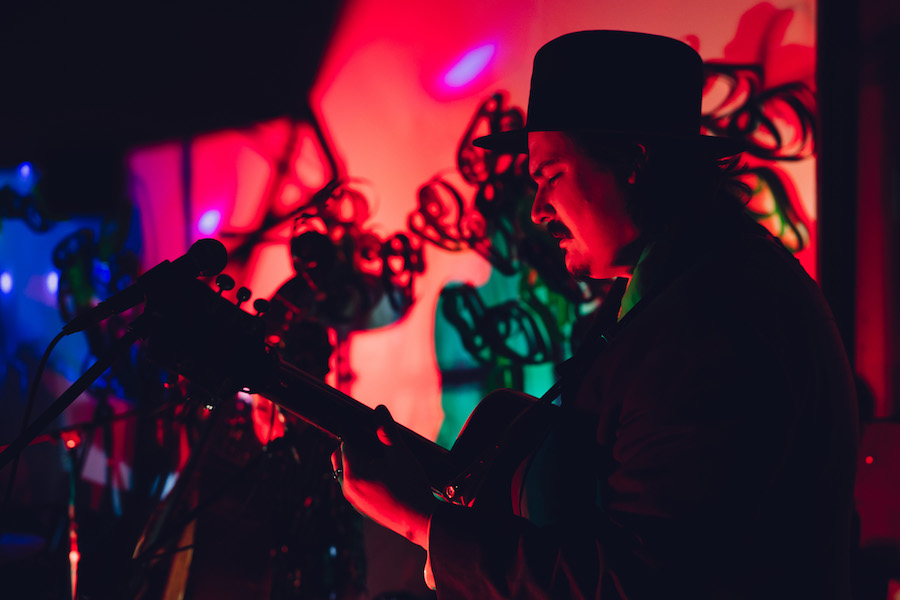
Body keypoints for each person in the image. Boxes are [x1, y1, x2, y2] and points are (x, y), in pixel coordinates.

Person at [331, 30, 859, 599]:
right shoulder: (692, 285)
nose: (537, 211)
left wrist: (421, 522)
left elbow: (636, 584)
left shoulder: (710, 330)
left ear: (632, 164)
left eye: (551, 176)